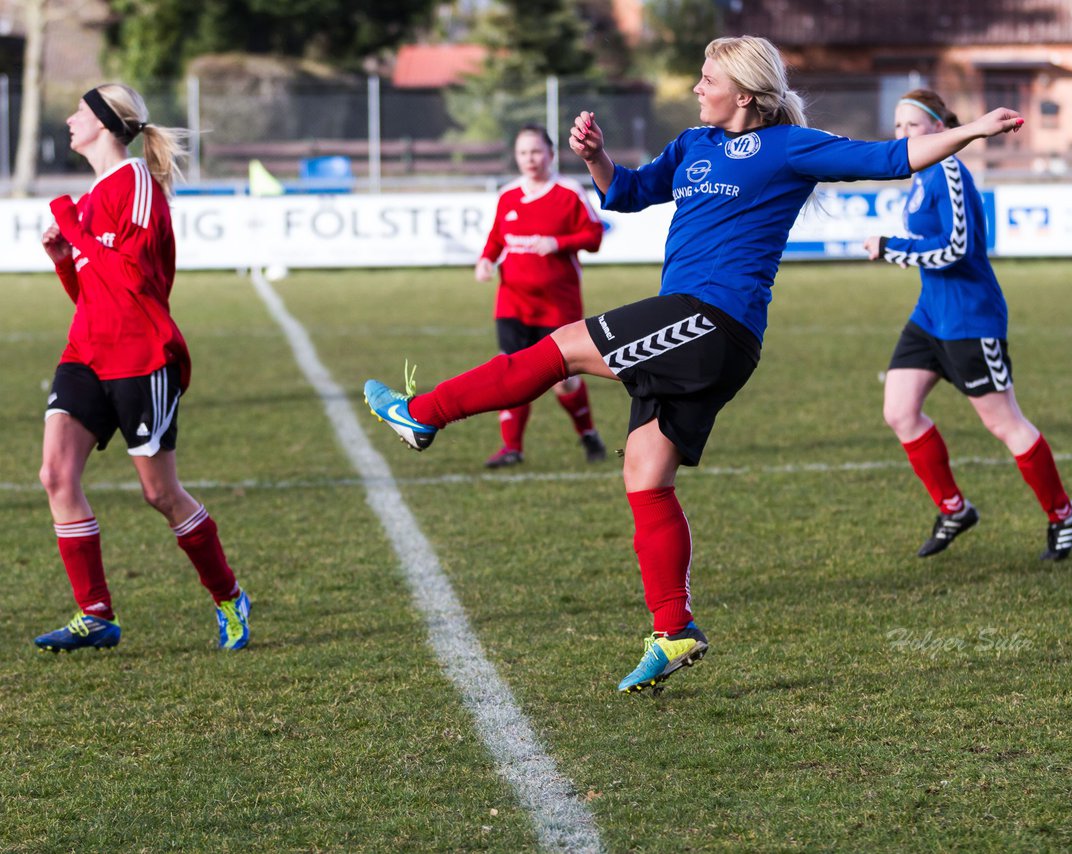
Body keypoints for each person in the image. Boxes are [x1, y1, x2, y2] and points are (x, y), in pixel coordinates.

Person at [365, 37, 1023, 693]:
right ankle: (674, 629)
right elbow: (625, 194)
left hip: (713, 320)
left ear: (745, 92)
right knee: (644, 474)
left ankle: (422, 415)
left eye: (707, 79)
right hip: (696, 325)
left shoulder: (789, 147)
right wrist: (595, 159)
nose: (696, 88)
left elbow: (894, 157)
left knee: (561, 346)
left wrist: (974, 129)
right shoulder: (690, 146)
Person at [33, 84, 251, 653]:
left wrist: (71, 228)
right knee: (56, 475)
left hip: (139, 356)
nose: (68, 119)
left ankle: (228, 595)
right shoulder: (91, 197)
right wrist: (64, 260)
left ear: (105, 124)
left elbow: (130, 284)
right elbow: (94, 294)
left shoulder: (136, 186)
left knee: (161, 494)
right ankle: (96, 613)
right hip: (86, 352)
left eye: (79, 112)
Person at [864, 89, 1072, 561]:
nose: (903, 135)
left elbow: (958, 247)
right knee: (899, 411)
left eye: (914, 127)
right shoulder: (920, 173)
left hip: (971, 319)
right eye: (898, 127)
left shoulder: (948, 170)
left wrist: (892, 248)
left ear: (940, 130)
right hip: (930, 316)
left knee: (1005, 423)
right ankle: (954, 508)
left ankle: (1065, 514)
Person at [474, 124, 607, 469]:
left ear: (550, 154)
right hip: (513, 302)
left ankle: (588, 433)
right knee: (511, 373)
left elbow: (594, 236)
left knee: (563, 381)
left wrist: (558, 243)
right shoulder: (508, 195)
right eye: (522, 153)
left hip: (557, 305)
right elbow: (497, 238)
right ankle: (511, 448)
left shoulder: (569, 192)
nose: (530, 159)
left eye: (535, 151)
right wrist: (486, 259)